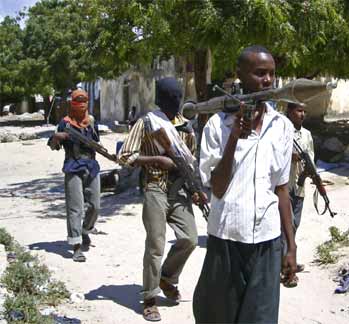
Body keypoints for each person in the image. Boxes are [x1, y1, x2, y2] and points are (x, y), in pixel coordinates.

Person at [193, 45, 297, 324]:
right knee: (217, 317)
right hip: (226, 239)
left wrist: (291, 246)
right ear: (241, 74)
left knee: (260, 318)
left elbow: (282, 189)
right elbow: (217, 187)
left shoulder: (282, 127)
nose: (267, 81)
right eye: (260, 73)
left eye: (272, 74)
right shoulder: (218, 125)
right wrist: (234, 138)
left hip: (267, 241)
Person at [118, 77, 206, 322]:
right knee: (156, 244)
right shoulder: (147, 122)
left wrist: (197, 189)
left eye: (178, 98)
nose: (176, 102)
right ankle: (149, 298)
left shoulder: (186, 126)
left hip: (179, 190)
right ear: (161, 99)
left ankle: (167, 277)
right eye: (171, 98)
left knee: (190, 239)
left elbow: (191, 161)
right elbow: (124, 156)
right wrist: (156, 160)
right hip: (155, 187)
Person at [47, 89, 100, 262]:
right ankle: (76, 246)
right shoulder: (65, 123)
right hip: (72, 166)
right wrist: (57, 137)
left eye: (85, 101)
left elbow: (96, 143)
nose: (82, 104)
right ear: (73, 104)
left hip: (91, 166)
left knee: (95, 206)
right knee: (75, 208)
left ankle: (85, 230)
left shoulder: (91, 121)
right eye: (79, 101)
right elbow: (53, 145)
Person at [283, 101, 315, 287]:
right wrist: (290, 157)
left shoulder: (307, 135)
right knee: (286, 226)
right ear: (289, 112)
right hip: (284, 185)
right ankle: (287, 266)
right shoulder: (282, 132)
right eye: (298, 111)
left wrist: (307, 174)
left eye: (304, 111)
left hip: (299, 186)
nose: (302, 114)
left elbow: (310, 158)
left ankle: (288, 259)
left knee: (295, 224)